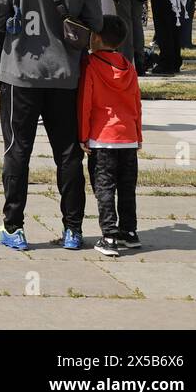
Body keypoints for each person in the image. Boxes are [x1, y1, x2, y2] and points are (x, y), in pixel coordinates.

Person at [0, 0, 103, 252]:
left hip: (21, 72)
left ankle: (14, 227)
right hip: (65, 75)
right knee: (67, 153)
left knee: (17, 150)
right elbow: (96, 22)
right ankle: (72, 229)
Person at [78, 14, 143, 256]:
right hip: (127, 136)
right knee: (127, 188)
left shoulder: (91, 65)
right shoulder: (129, 66)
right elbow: (136, 103)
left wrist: (83, 135)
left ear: (95, 37)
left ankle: (109, 235)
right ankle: (129, 231)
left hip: (102, 137)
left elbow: (86, 101)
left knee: (103, 187)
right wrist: (138, 134)